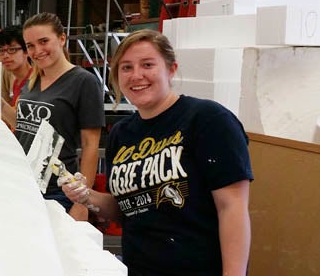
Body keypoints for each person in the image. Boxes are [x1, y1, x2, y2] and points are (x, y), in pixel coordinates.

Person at [61, 29, 253, 275]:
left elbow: (232, 207)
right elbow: (125, 210)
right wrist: (86, 196)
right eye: (126, 67)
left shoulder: (208, 120)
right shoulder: (121, 134)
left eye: (147, 64)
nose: (136, 75)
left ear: (171, 69)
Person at [8, 12, 105, 221]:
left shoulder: (83, 82)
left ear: (62, 39)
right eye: (31, 45)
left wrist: (82, 201)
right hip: (25, 184)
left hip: (58, 190)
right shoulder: (32, 80)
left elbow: (90, 145)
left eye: (44, 41)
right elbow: (23, 124)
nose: (37, 51)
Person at [0, 26, 32, 130]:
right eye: (1, 50)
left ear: (26, 51)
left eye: (12, 49)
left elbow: (25, 127)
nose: (5, 56)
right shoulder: (17, 81)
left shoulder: (34, 82)